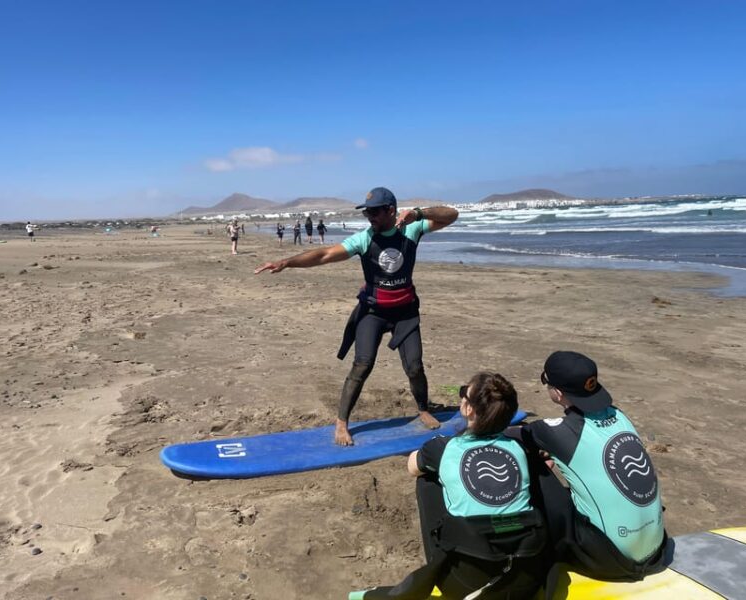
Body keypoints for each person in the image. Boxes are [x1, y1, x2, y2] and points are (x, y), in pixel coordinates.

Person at [255, 187, 459, 445]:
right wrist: (287, 262)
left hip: (405, 312)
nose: (369, 217)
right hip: (373, 312)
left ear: (391, 211)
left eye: (374, 212)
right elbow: (325, 254)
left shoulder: (412, 230)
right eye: (366, 213)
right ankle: (341, 422)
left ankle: (422, 409)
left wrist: (418, 213)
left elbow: (451, 215)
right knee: (362, 364)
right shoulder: (364, 239)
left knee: (415, 366)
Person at [353, 372, 549, 599]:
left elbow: (411, 465)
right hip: (527, 571)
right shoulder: (519, 447)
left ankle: (439, 555)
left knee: (426, 478)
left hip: (466, 581)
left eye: (463, 392)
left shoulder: (445, 447)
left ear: (468, 409)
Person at [509, 351, 667, 582]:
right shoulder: (620, 415)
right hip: (656, 549)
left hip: (609, 560)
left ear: (558, 392)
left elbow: (502, 433)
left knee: (536, 470)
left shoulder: (554, 431)